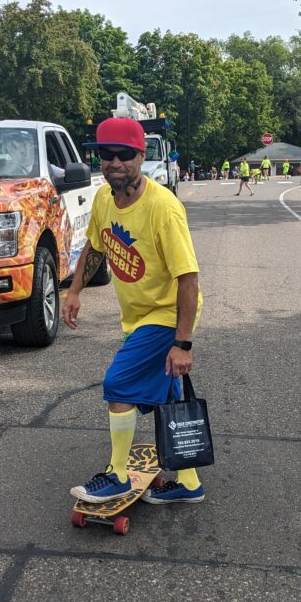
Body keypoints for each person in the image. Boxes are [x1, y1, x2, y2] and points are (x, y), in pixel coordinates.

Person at [63, 117, 204, 505]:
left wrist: (183, 343)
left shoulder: (163, 208)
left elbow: (188, 279)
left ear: (141, 156)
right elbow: (93, 245)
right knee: (167, 398)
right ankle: (189, 483)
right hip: (137, 316)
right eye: (105, 155)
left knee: (119, 383)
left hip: (166, 315)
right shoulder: (104, 199)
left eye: (123, 154)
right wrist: (74, 291)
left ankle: (118, 475)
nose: (113, 162)